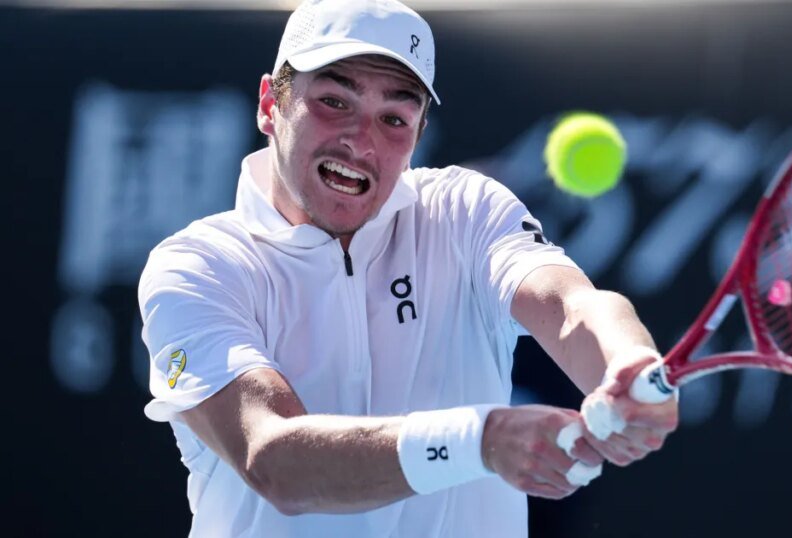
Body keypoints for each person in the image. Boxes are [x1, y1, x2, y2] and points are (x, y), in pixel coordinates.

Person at [138, 0, 677, 536]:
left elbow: (571, 304)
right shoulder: (197, 268)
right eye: (334, 101)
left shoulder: (465, 210)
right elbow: (274, 458)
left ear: (418, 136)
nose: (361, 141)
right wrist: (481, 440)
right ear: (269, 105)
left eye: (394, 119)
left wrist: (625, 361)